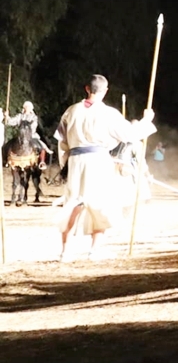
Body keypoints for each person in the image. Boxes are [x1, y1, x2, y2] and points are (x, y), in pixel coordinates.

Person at [54, 74, 156, 261]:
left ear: (87, 88)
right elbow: (130, 134)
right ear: (105, 91)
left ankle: (65, 252)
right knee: (101, 205)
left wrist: (65, 165)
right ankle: (94, 251)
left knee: (73, 204)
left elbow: (62, 142)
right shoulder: (108, 113)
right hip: (98, 161)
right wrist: (147, 120)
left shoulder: (71, 111)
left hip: (76, 161)